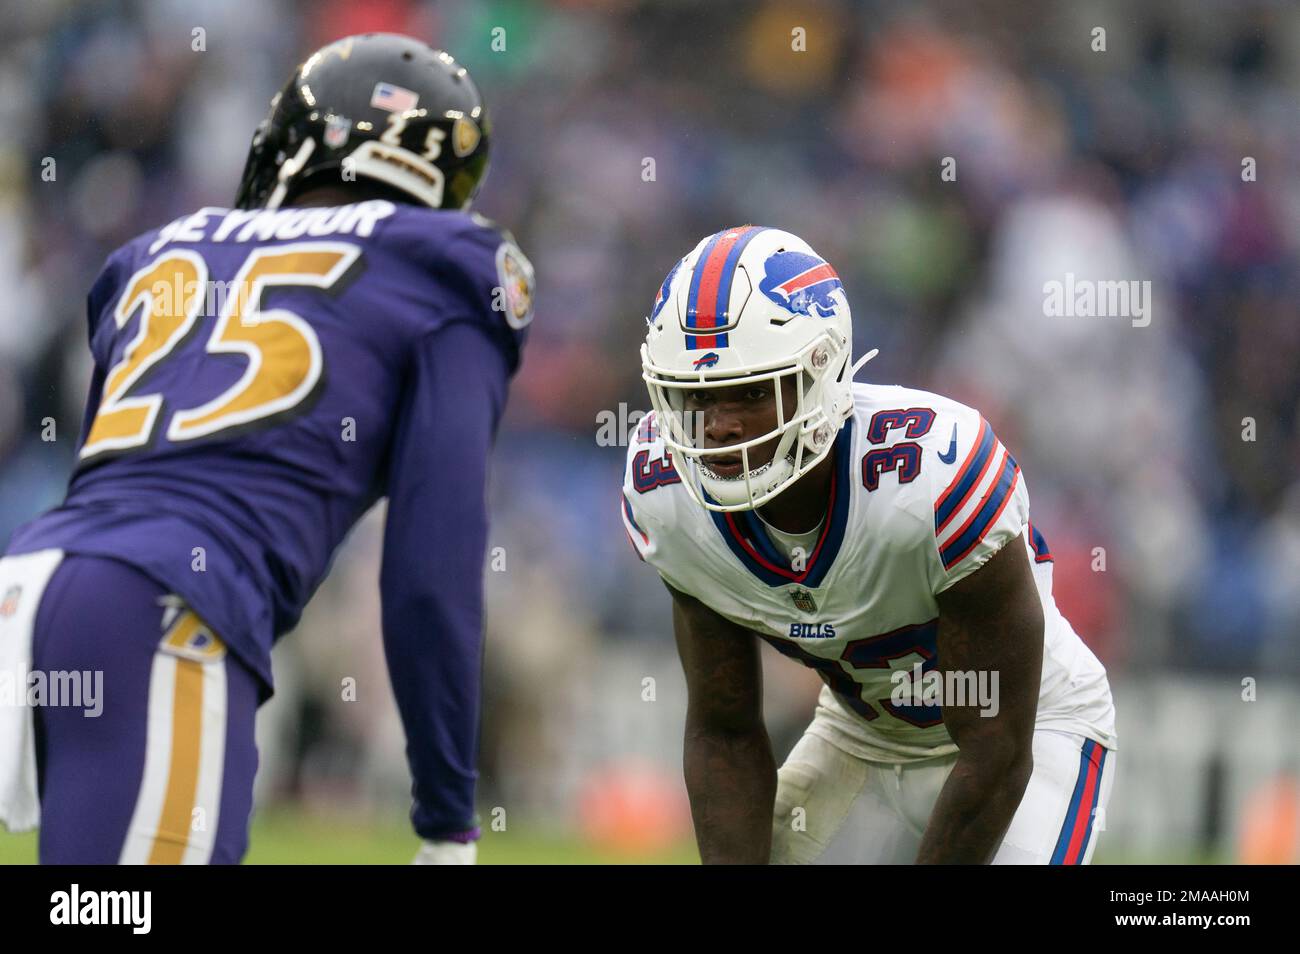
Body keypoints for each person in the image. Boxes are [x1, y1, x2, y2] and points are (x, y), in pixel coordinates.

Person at [0, 33, 534, 864]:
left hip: (29, 585)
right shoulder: (447, 265)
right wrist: (446, 813)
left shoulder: (153, 254)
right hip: (165, 612)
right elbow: (431, 565)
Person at [621, 225, 1115, 863]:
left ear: (820, 376)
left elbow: (995, 743)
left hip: (1028, 731)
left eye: (749, 393)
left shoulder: (931, 479)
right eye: (696, 398)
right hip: (861, 733)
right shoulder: (669, 500)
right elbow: (725, 730)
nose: (718, 427)